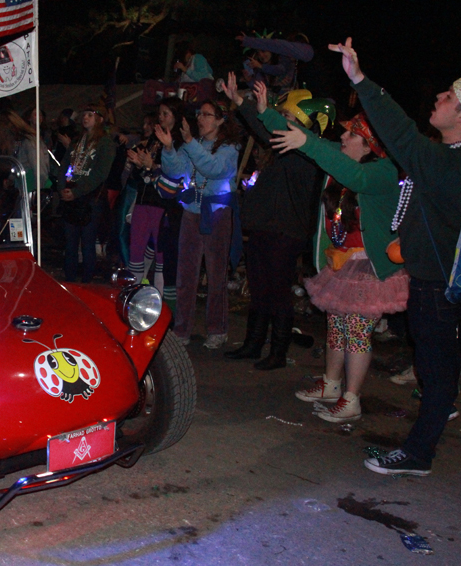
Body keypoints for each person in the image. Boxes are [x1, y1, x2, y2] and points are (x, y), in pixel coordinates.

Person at [329, 37, 461, 476]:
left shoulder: (451, 164)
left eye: (447, 96)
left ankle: (420, 451)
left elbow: (399, 133)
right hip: (441, 283)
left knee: (435, 372)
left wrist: (361, 80)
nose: (436, 99)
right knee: (435, 367)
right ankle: (439, 413)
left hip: (437, 287)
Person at [270, 110, 408, 422]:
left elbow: (354, 176)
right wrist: (259, 109)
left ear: (369, 144)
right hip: (342, 264)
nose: (342, 138)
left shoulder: (383, 170)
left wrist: (310, 143)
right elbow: (308, 140)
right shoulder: (348, 165)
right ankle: (332, 385)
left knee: (357, 334)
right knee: (337, 329)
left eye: (351, 134)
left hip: (367, 269)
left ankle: (352, 398)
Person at [221, 74, 328, 370]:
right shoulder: (284, 151)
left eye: (287, 116)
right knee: (259, 288)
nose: (280, 120)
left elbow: (265, 129)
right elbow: (264, 131)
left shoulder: (307, 151)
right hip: (267, 229)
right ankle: (253, 344)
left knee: (277, 293)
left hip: (286, 232)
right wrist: (243, 102)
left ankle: (278, 352)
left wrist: (245, 103)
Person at [157, 99, 242, 349]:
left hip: (216, 214)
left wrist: (190, 144)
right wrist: (169, 148)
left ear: (220, 119)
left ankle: (217, 328)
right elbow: (176, 170)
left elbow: (213, 168)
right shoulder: (194, 145)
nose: (201, 119)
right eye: (200, 114)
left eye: (207, 114)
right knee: (186, 274)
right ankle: (181, 329)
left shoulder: (229, 148)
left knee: (216, 274)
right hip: (191, 212)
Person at [125, 98, 185, 302]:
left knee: (160, 253)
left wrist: (151, 166)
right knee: (136, 248)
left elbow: (174, 175)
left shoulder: (178, 142)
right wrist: (140, 165)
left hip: (162, 205)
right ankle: (133, 299)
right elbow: (142, 175)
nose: (161, 117)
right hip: (144, 201)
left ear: (176, 117)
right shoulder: (153, 140)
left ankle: (159, 303)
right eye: (160, 113)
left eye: (166, 114)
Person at [58, 102, 116, 282]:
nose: (85, 118)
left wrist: (78, 191)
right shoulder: (77, 141)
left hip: (91, 199)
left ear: (99, 119)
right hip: (71, 195)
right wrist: (62, 188)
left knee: (88, 243)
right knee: (70, 243)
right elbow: (65, 165)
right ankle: (69, 281)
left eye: (90, 115)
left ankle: (87, 283)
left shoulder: (105, 143)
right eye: (84, 114)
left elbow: (100, 174)